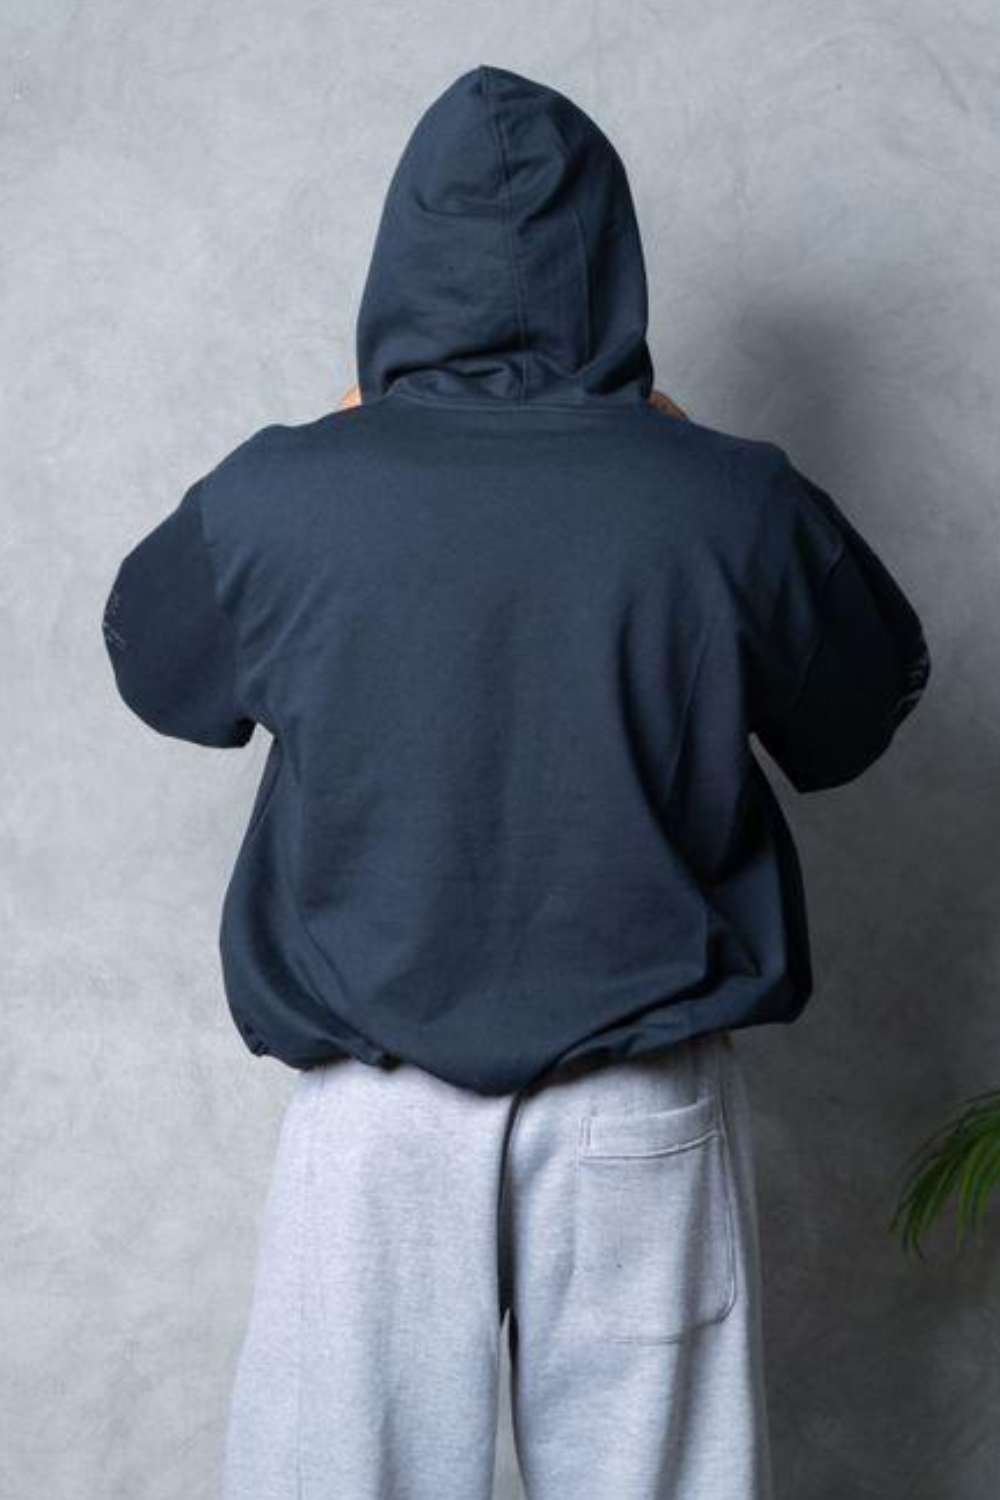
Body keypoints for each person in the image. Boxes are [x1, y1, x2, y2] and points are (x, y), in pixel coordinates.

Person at [102, 63, 930, 1500]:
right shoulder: (731, 497)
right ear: (611, 258)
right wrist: (671, 441)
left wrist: (347, 435)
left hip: (374, 1114)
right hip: (638, 1103)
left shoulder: (279, 493)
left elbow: (154, 663)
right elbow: (861, 710)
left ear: (400, 259)